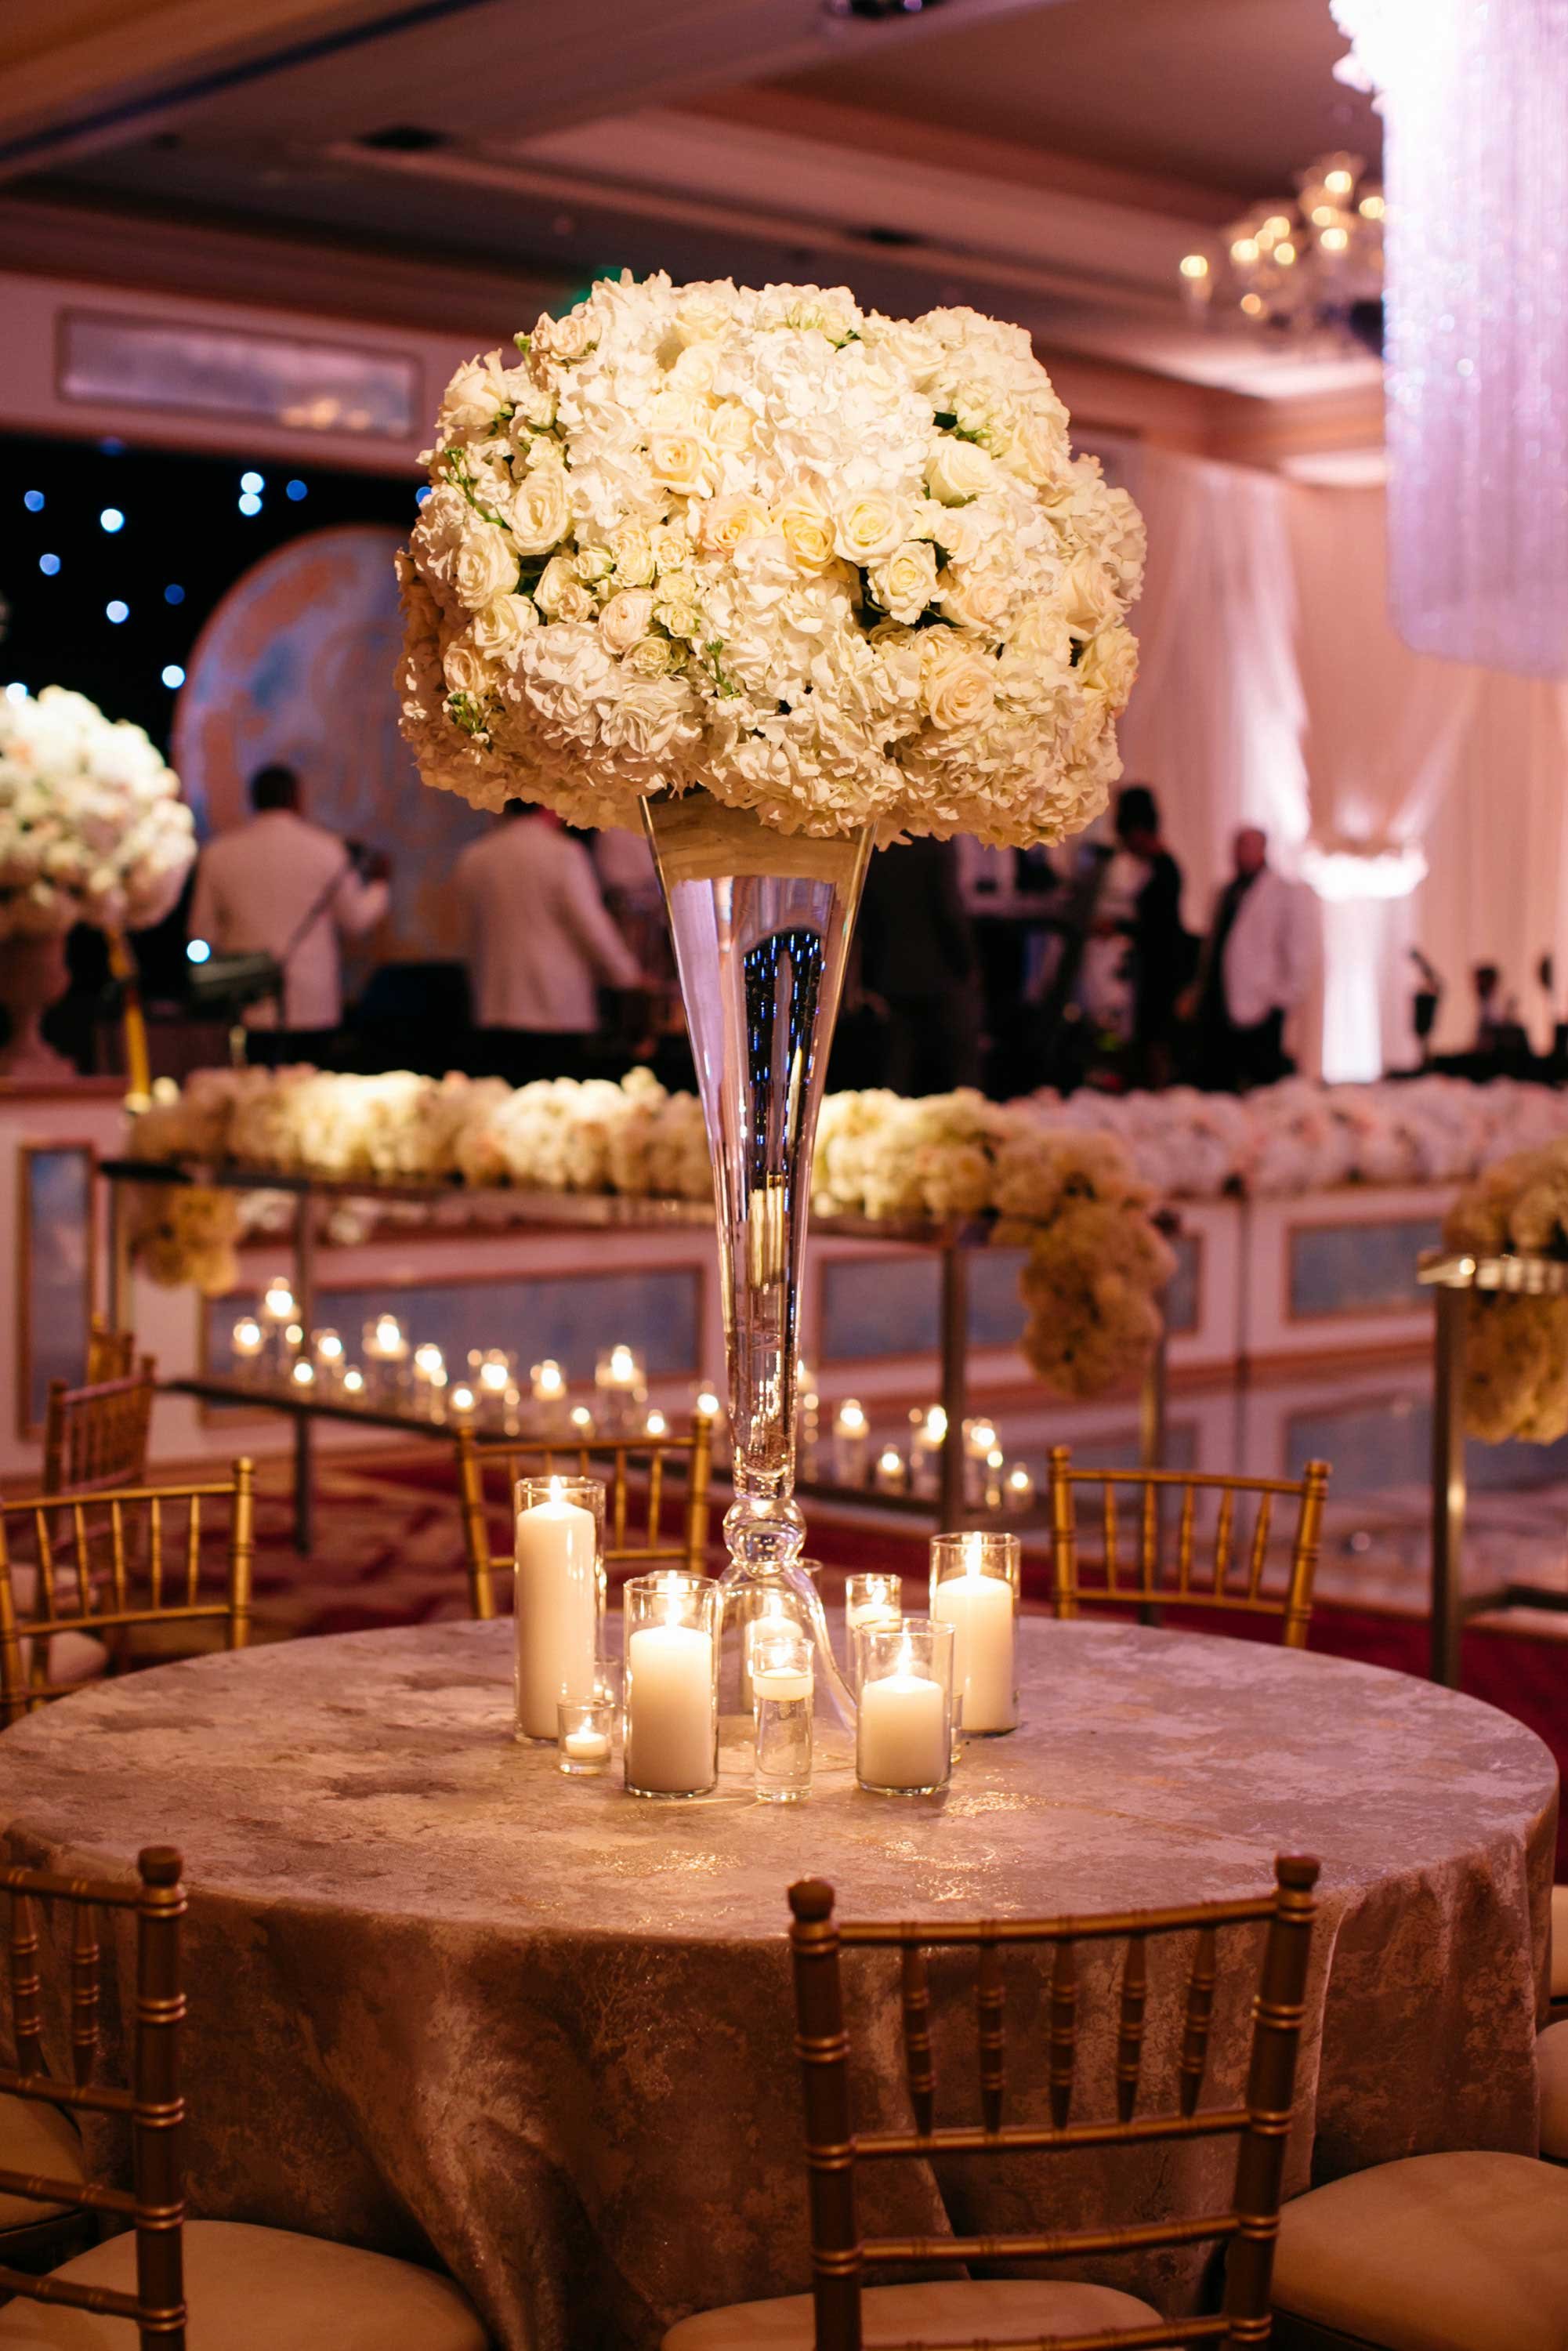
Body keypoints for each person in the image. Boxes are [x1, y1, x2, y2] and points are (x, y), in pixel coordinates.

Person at [188, 764, 390, 1031]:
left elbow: (202, 932)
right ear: (297, 797)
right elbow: (356, 920)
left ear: (253, 799)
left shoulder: (218, 853)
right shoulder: (327, 849)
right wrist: (379, 884)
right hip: (314, 1001)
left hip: (247, 997)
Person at [451, 803, 643, 1071]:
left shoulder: (474, 856)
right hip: (558, 1006)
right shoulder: (562, 853)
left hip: (494, 1004)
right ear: (547, 804)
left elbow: (466, 933)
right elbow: (590, 925)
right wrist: (629, 977)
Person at [1189, 825, 1316, 1091]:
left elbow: (1297, 947)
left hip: (1262, 1001)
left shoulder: (1283, 892)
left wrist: (1283, 994)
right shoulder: (1226, 892)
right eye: (1237, 846)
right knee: (1219, 1079)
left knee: (1261, 1081)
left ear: (1262, 850)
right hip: (1221, 999)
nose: (1239, 853)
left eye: (1246, 846)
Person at [856, 836, 982, 1094]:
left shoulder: (876, 844)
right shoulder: (936, 841)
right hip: (941, 972)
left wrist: (869, 975)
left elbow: (866, 915)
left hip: (891, 971)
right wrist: (967, 966)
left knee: (897, 1071)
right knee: (959, 1071)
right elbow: (948, 909)